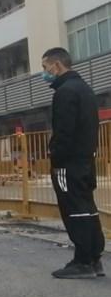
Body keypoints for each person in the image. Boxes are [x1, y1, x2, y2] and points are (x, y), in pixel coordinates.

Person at [43, 48, 105, 279]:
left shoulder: (65, 92)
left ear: (57, 65)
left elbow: (64, 131)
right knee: (87, 207)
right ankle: (94, 258)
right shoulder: (85, 89)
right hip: (86, 159)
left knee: (73, 209)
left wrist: (55, 155)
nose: (44, 72)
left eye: (45, 67)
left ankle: (82, 261)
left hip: (68, 162)